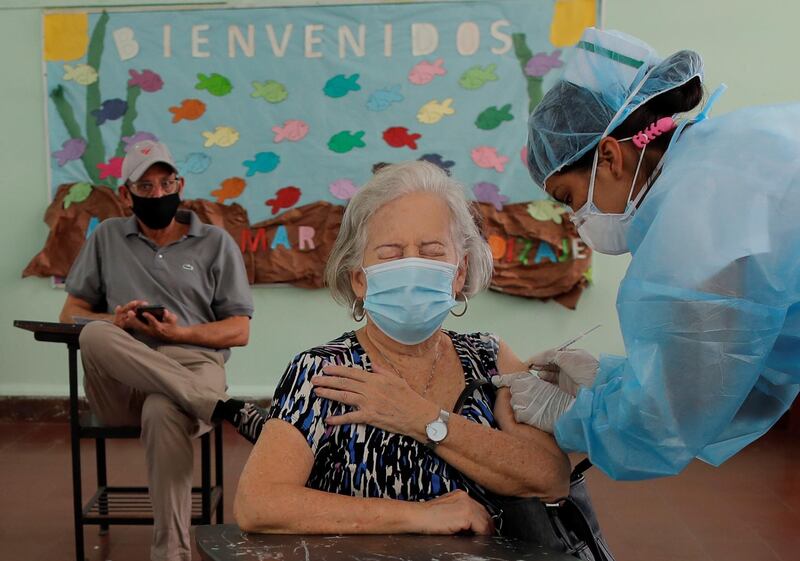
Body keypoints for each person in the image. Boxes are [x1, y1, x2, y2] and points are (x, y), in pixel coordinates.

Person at [495, 27, 800, 480]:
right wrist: (614, 380)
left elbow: (668, 424)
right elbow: (745, 367)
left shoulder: (697, 224)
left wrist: (570, 416)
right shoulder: (726, 151)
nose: (576, 218)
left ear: (611, 157)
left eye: (569, 197)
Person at [234, 161, 570, 535]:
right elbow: (259, 503)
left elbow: (551, 477)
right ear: (360, 280)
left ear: (459, 273)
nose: (412, 266)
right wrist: (420, 516)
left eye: (431, 250)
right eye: (391, 253)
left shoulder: (490, 358)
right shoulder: (325, 372)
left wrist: (423, 419)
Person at [60, 140, 258, 561]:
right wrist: (117, 322)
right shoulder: (107, 237)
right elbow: (70, 314)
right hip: (121, 378)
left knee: (161, 409)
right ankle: (223, 407)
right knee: (93, 335)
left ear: (180, 184)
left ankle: (171, 553)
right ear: (124, 194)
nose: (158, 194)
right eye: (145, 187)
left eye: (166, 183)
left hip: (188, 366)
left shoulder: (215, 242)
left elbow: (239, 330)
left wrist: (179, 334)